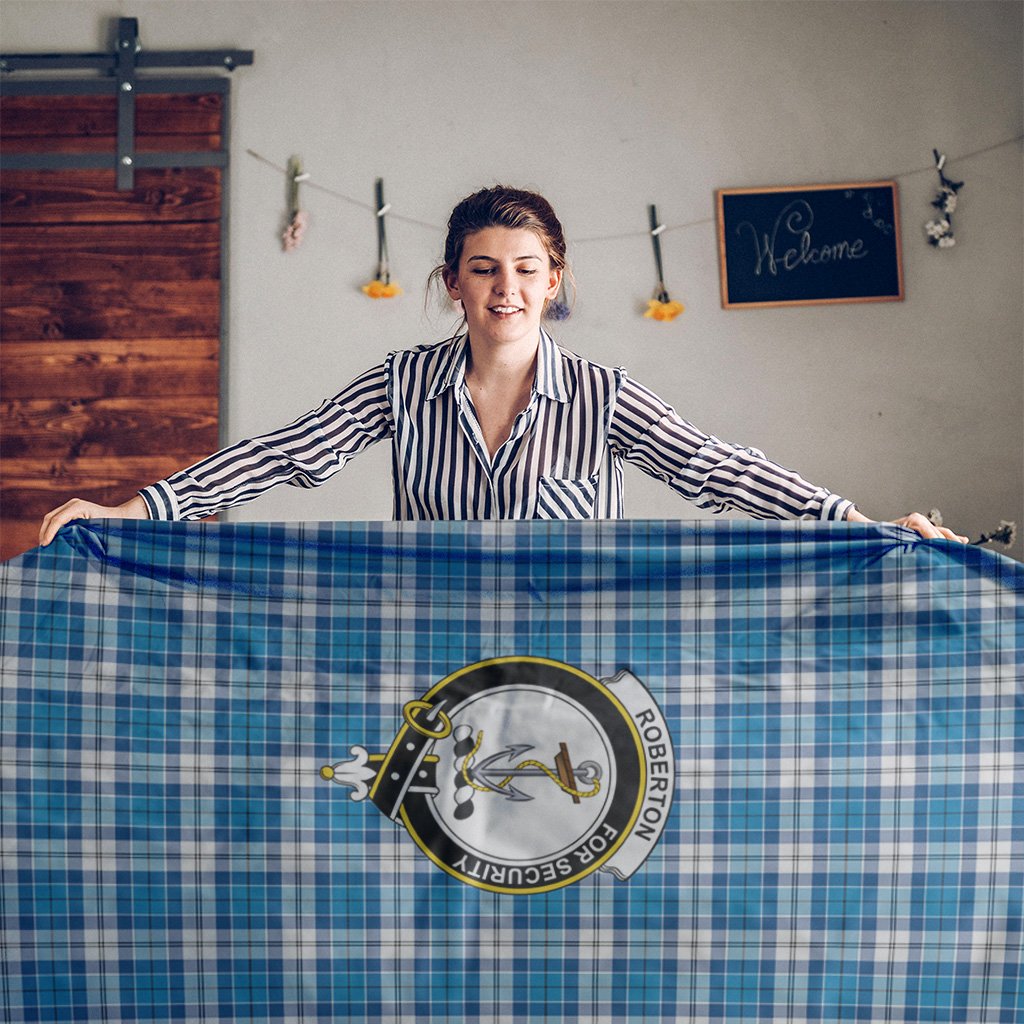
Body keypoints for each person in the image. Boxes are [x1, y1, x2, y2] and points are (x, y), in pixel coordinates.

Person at [39, 186, 967, 546]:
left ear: (555, 281)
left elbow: (718, 468)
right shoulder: (401, 382)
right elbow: (284, 455)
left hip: (582, 664)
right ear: (453, 283)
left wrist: (858, 522)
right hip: (432, 659)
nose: (506, 289)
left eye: (527, 271)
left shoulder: (604, 397)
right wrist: (133, 511)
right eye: (484, 270)